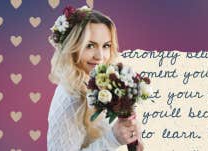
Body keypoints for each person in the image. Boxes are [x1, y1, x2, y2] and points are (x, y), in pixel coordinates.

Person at [47, 5, 144, 151]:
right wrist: (113, 138)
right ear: (73, 47)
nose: (100, 56)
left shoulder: (102, 85)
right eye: (90, 45)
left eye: (106, 46)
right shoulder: (70, 97)